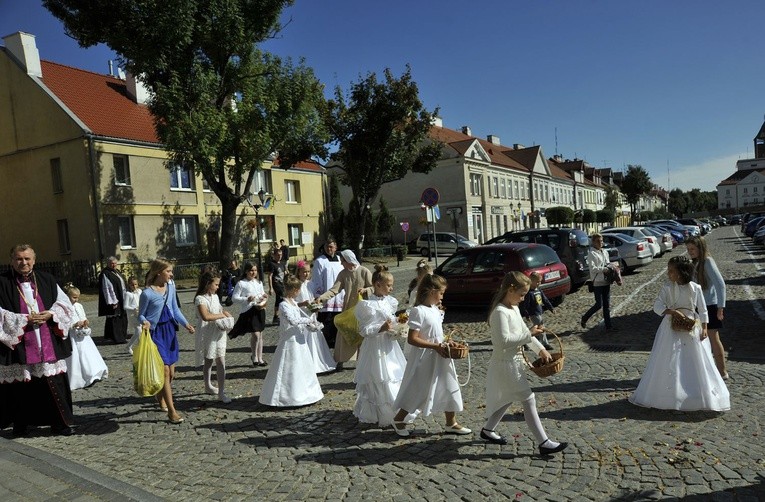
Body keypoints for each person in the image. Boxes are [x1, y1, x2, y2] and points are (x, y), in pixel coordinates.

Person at [481, 272, 568, 455]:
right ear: (510, 289)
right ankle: (544, 442)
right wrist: (529, 334)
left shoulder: (513, 308)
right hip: (505, 364)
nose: (523, 299)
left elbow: (524, 334)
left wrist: (540, 349)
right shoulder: (499, 312)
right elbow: (503, 341)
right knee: (528, 399)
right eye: (521, 294)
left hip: (514, 362)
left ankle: (488, 430)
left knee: (508, 397)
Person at [629, 256, 730, 412]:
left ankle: (696, 392)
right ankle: (667, 394)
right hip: (670, 328)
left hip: (691, 326)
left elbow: (702, 309)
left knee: (695, 359)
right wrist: (672, 312)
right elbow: (658, 305)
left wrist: (704, 327)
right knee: (669, 358)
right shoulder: (668, 287)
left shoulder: (695, 288)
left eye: (671, 271)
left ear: (682, 272)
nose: (668, 274)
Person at [0, 244, 77, 436]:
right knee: (20, 387)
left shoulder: (47, 279)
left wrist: (51, 313)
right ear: (12, 261)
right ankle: (21, 425)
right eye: (19, 259)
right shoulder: (2, 282)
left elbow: (64, 304)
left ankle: (60, 423)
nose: (23, 262)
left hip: (46, 341)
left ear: (34, 260)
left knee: (53, 383)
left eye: (27, 259)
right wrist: (24, 319)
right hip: (18, 344)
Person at [391, 274, 471, 437]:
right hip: (425, 358)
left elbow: (437, 335)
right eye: (441, 293)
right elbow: (413, 339)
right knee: (418, 389)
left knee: (450, 386)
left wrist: (448, 343)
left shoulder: (435, 310)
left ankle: (451, 422)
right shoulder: (418, 311)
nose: (442, 297)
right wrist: (435, 346)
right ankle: (399, 419)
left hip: (441, 355)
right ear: (431, 291)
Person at [139, 259, 195, 424]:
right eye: (169, 271)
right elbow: (140, 314)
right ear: (159, 272)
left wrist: (186, 324)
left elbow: (175, 309)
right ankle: (172, 411)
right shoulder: (147, 293)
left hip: (169, 331)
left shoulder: (171, 287)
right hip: (155, 333)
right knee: (164, 371)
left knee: (170, 373)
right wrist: (144, 322)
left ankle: (160, 393)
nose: (171, 274)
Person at [353, 265, 407, 426]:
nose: (391, 288)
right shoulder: (366, 306)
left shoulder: (390, 302)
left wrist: (399, 324)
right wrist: (380, 328)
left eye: (391, 285)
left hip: (389, 345)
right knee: (378, 377)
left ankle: (397, 409)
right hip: (375, 347)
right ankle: (378, 412)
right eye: (388, 285)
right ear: (377, 285)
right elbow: (363, 330)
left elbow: (391, 320)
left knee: (393, 374)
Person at [259, 275, 324, 407]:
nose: (299, 292)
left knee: (303, 366)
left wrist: (312, 325)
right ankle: (286, 396)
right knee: (289, 366)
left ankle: (306, 393)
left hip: (299, 339)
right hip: (290, 340)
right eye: (298, 290)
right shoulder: (283, 305)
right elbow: (293, 321)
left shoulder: (293, 303)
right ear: (294, 290)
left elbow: (301, 316)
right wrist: (309, 320)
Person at [316, 249, 374, 369]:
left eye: (342, 260)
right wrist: (321, 299)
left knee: (362, 334)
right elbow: (334, 290)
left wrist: (366, 290)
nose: (341, 263)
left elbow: (374, 286)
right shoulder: (343, 274)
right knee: (344, 334)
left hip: (362, 309)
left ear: (348, 260)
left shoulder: (364, 271)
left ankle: (362, 361)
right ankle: (341, 360)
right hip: (348, 309)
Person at [685, 236, 728, 379]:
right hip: (697, 307)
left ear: (700, 248)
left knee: (713, 338)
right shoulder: (695, 263)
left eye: (692, 249)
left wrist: (721, 307)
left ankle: (722, 372)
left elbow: (720, 284)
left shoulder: (708, 262)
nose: (689, 252)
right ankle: (704, 371)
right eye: (688, 249)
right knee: (699, 340)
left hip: (709, 306)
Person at [194, 271, 234, 404]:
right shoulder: (200, 299)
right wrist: (221, 316)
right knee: (209, 360)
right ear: (208, 284)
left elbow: (219, 309)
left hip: (219, 332)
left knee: (221, 361)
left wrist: (226, 313)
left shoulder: (216, 297)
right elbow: (206, 316)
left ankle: (221, 391)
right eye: (216, 284)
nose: (218, 287)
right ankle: (208, 385)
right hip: (207, 333)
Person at [64, 283, 108, 390]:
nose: (76, 300)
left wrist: (85, 322)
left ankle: (93, 373)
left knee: (87, 353)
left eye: (78, 297)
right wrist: (74, 325)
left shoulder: (79, 306)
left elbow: (83, 316)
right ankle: (80, 377)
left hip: (83, 335)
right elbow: (64, 323)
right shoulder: (64, 308)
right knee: (77, 355)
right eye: (74, 297)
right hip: (73, 336)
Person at [294, 260, 335, 373]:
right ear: (299, 272)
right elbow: (292, 302)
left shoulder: (311, 284)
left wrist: (316, 305)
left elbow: (315, 297)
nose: (306, 274)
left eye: (308, 272)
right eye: (304, 272)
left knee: (314, 336)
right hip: (301, 314)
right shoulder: (296, 285)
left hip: (311, 314)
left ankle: (317, 362)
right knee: (305, 337)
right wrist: (303, 304)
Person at [228, 261, 268, 367]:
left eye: (255, 270)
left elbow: (261, 293)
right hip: (249, 311)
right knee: (255, 334)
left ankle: (260, 357)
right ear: (246, 271)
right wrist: (246, 299)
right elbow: (234, 298)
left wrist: (264, 296)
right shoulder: (241, 283)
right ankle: (254, 355)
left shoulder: (258, 282)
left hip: (260, 309)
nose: (253, 272)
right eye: (251, 270)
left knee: (260, 335)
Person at [308, 238, 344, 348]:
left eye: (331, 247)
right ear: (324, 248)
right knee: (327, 323)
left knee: (338, 322)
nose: (329, 249)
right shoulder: (320, 261)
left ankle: (337, 343)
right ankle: (326, 344)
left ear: (336, 247)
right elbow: (317, 280)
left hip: (340, 296)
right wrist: (319, 296)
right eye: (327, 247)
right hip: (326, 297)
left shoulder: (340, 260)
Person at [581, 233, 619, 331]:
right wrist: (604, 269)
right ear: (593, 242)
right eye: (598, 241)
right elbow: (593, 268)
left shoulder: (605, 252)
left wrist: (612, 266)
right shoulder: (591, 253)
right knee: (599, 304)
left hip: (606, 281)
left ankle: (608, 326)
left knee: (607, 305)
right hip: (597, 282)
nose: (600, 243)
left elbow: (607, 263)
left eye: (601, 241)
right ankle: (585, 318)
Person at [519, 272, 555, 350]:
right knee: (540, 328)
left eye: (540, 281)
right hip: (533, 313)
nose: (539, 283)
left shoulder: (538, 290)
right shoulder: (529, 293)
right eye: (537, 282)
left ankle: (525, 339)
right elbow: (525, 305)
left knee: (538, 328)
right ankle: (544, 343)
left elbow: (545, 300)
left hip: (539, 312)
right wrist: (527, 314)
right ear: (532, 281)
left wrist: (551, 308)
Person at [98, 256, 128, 343]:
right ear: (108, 264)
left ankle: (121, 335)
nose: (114, 265)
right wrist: (112, 301)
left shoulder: (116, 271)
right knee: (115, 317)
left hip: (122, 297)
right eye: (112, 263)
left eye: (115, 263)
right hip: (115, 299)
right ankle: (117, 338)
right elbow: (107, 288)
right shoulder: (105, 273)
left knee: (122, 316)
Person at [268, 247, 286, 324]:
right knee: (281, 298)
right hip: (276, 284)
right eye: (278, 255)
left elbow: (285, 273)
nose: (280, 256)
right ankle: (277, 315)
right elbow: (269, 276)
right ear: (274, 255)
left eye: (281, 255)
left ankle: (277, 316)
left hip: (283, 284)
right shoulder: (272, 264)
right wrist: (270, 288)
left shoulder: (282, 263)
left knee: (280, 299)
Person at [124, 276, 142, 355]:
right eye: (132, 285)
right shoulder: (128, 294)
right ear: (129, 285)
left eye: (135, 284)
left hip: (140, 313)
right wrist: (134, 308)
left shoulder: (140, 291)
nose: (134, 286)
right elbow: (125, 306)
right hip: (132, 315)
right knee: (138, 330)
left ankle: (140, 348)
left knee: (141, 331)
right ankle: (129, 346)